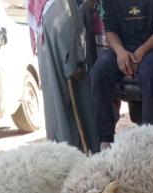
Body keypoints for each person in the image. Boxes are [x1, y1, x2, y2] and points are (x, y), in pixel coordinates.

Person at [90, 0, 153, 151]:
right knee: (99, 72)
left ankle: (151, 139)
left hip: (152, 47)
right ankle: (105, 138)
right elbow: (110, 31)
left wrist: (141, 52)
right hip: (123, 49)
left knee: (149, 74)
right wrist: (120, 52)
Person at [29, 0, 97, 153]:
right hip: (67, 69)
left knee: (59, 115)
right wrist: (74, 66)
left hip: (55, 68)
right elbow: (69, 33)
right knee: (72, 115)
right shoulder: (60, 4)